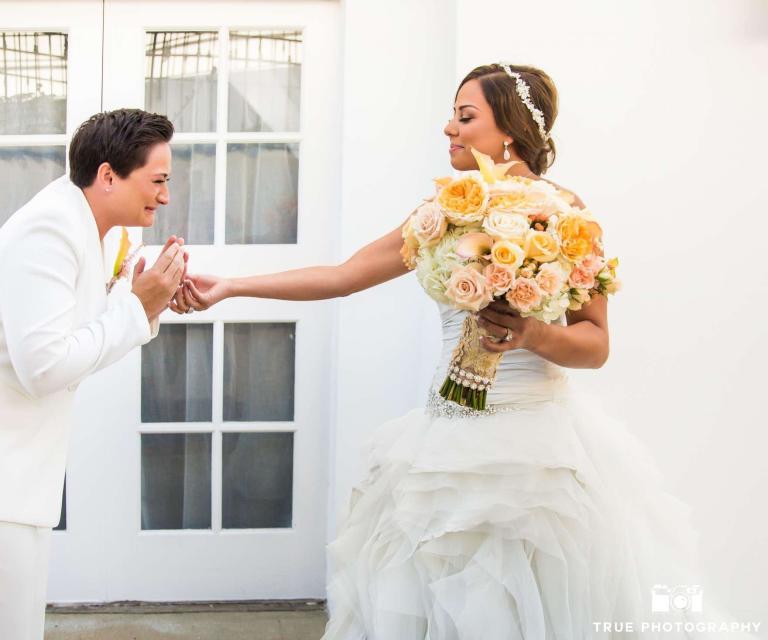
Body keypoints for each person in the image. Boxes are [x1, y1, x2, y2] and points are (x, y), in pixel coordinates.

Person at [172, 66, 742, 638]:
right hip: (445, 441)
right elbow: (343, 276)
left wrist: (532, 333)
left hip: (540, 451)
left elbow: (596, 345)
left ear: (511, 132)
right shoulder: (440, 213)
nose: (449, 128)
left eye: (465, 117)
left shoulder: (567, 217)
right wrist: (232, 287)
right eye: (452, 114)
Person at [0, 108, 186, 639]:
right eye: (158, 180)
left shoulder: (83, 224)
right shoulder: (48, 228)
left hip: (3, 473)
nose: (165, 196)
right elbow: (45, 366)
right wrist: (134, 309)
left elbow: (68, 336)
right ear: (107, 176)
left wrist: (139, 300)